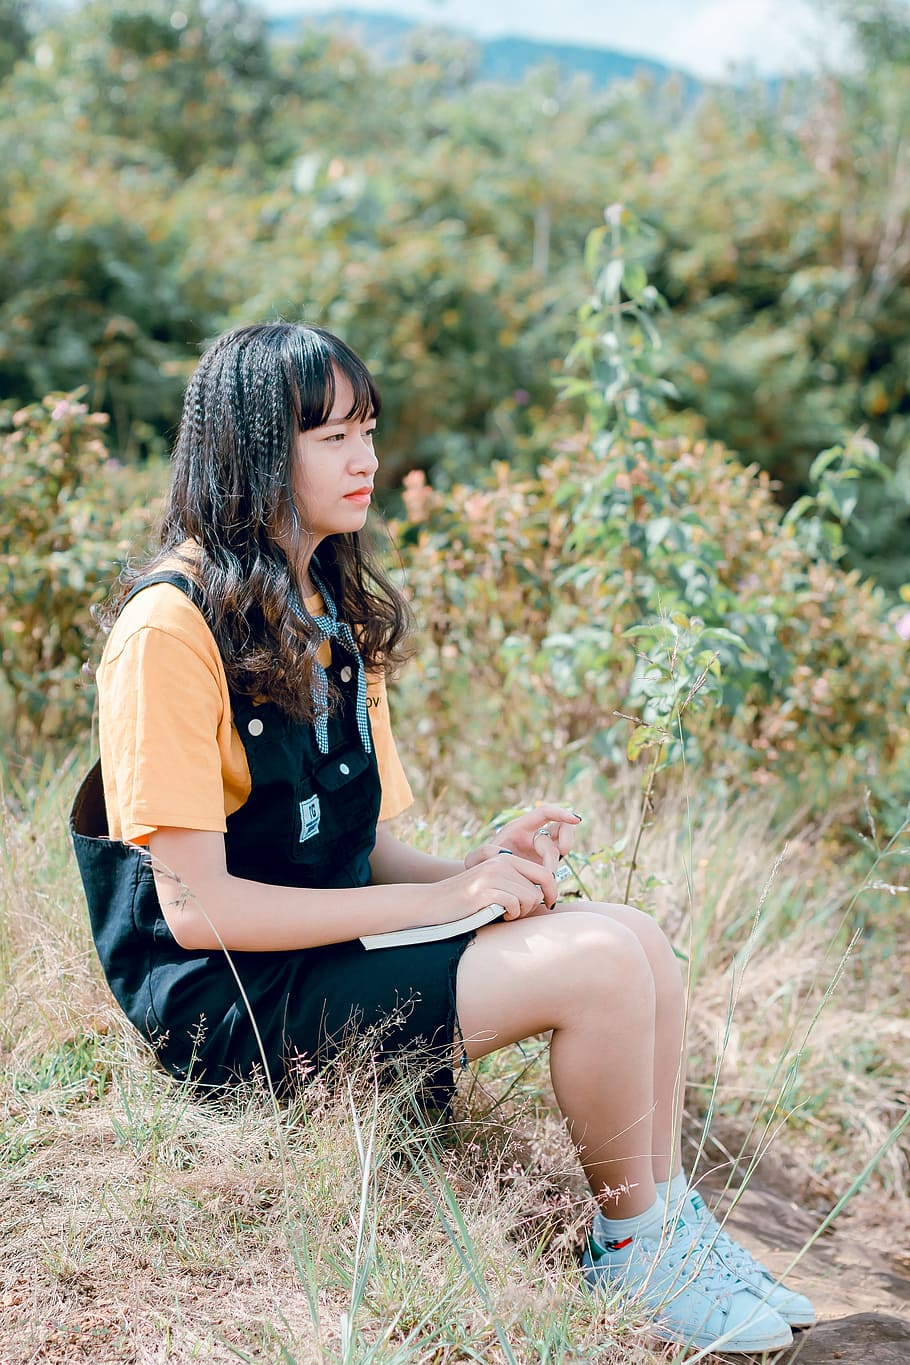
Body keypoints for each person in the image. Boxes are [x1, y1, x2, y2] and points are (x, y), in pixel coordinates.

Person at [71, 322, 813, 1354]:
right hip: (231, 1009)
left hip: (320, 960)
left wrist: (479, 869)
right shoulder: (170, 627)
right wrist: (436, 907)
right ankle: (632, 1250)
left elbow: (359, 847)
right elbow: (197, 913)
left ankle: (663, 1225)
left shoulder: (324, 603)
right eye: (329, 436)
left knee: (632, 935)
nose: (366, 458)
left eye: (367, 428)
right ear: (249, 448)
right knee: (596, 965)